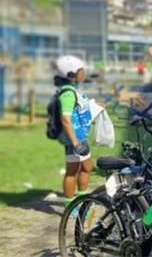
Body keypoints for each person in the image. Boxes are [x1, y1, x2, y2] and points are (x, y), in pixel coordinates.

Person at [53, 55, 94, 208]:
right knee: (73, 171)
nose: (83, 73)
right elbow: (66, 119)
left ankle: (81, 202)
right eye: (80, 70)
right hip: (74, 139)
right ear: (71, 75)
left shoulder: (72, 90)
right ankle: (72, 207)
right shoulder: (68, 94)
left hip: (79, 137)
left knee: (86, 168)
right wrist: (76, 143)